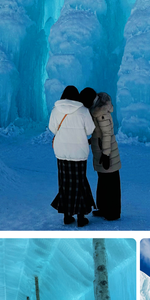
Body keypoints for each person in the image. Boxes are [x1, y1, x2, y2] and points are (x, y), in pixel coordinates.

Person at [49, 85, 96, 227]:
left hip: (61, 152)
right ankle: (81, 217)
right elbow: (90, 130)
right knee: (79, 183)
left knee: (65, 183)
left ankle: (67, 216)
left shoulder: (56, 110)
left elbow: (52, 128)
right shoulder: (83, 110)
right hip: (79, 153)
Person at [86, 89, 122, 221]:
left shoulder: (101, 114)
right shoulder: (97, 112)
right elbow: (99, 133)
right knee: (103, 181)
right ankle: (103, 208)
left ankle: (112, 212)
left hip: (106, 153)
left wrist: (106, 154)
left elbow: (107, 134)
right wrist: (92, 140)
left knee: (110, 182)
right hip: (100, 151)